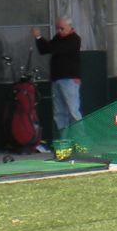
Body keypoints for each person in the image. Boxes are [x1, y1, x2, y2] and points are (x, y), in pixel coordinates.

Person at [32, 17, 83, 148]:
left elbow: (56, 49)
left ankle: (80, 141)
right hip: (57, 79)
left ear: (69, 27)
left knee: (73, 111)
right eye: (58, 28)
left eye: (62, 28)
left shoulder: (74, 39)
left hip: (69, 79)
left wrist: (43, 40)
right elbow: (45, 49)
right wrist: (38, 38)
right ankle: (64, 142)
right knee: (60, 112)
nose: (59, 31)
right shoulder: (58, 38)